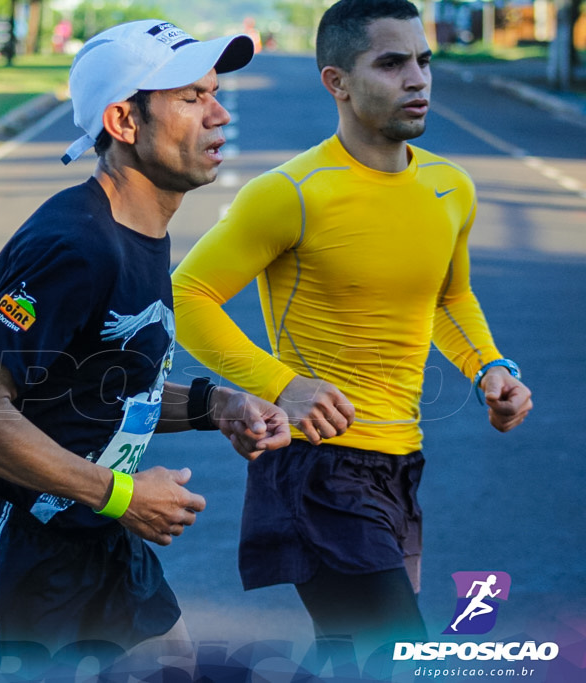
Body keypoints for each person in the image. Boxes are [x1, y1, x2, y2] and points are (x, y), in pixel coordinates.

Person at [170, 0, 533, 658]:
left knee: (348, 654)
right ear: (336, 81)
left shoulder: (452, 188)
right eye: (391, 63)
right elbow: (187, 296)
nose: (417, 79)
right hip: (319, 465)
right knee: (397, 652)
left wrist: (490, 367)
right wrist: (283, 385)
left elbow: (450, 297)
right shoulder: (292, 193)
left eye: (423, 61)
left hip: (399, 459)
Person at [0, 19, 290, 670]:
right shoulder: (73, 246)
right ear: (124, 121)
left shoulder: (140, 230)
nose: (218, 112)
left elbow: (105, 383)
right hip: (28, 557)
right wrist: (122, 494)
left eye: (214, 92)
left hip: (104, 537)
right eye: (190, 97)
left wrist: (220, 405)